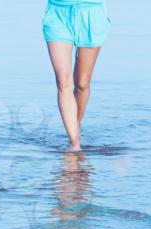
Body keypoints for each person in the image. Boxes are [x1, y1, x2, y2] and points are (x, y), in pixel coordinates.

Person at [42, 0, 111, 151]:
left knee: (82, 83)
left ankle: (76, 126)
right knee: (63, 81)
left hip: (91, 13)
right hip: (58, 13)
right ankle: (74, 143)